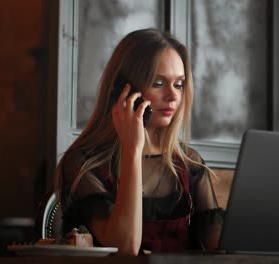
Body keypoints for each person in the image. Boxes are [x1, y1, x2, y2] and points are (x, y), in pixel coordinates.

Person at [54, 28, 224, 256]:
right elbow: (124, 247)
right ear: (123, 91)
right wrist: (132, 149)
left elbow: (224, 250)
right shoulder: (85, 164)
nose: (173, 96)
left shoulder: (188, 164)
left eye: (179, 84)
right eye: (158, 83)